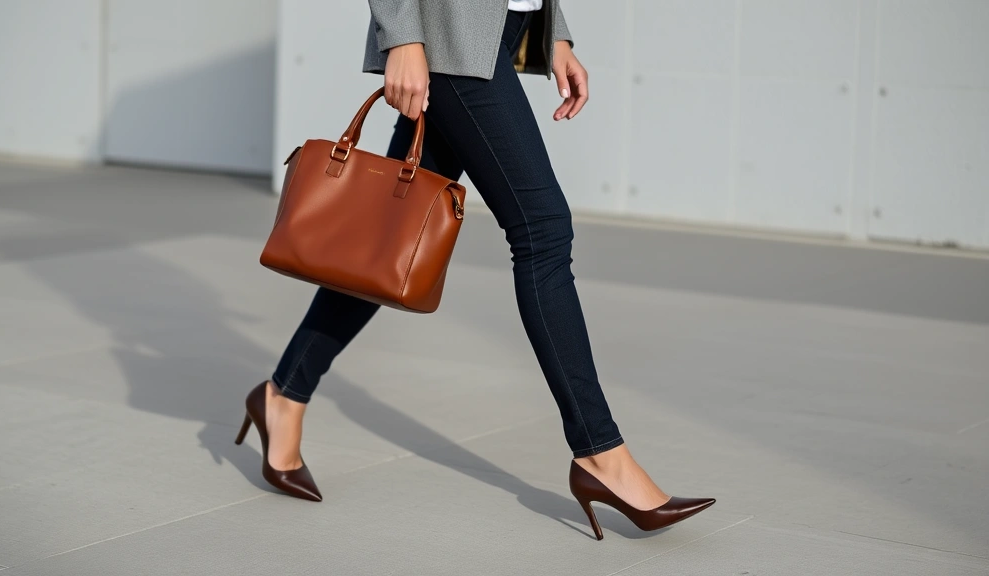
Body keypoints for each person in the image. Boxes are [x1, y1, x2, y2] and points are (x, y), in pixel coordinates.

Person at [235, 0, 715, 540]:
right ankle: (601, 454)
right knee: (543, 231)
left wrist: (553, 32)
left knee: (389, 238)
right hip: (447, 33)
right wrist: (402, 36)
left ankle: (282, 395)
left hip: (497, 29)